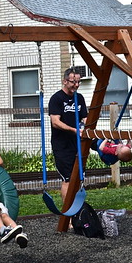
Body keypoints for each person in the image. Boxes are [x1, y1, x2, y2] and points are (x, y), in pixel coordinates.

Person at [48, 67, 88, 202]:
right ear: (64, 81)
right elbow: (55, 122)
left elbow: (85, 118)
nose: (76, 85)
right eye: (73, 82)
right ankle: (68, 216)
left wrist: (86, 129)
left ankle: (76, 211)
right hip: (62, 145)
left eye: (78, 82)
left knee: (77, 178)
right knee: (68, 178)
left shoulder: (79, 98)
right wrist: (73, 130)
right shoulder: (57, 98)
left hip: (77, 142)